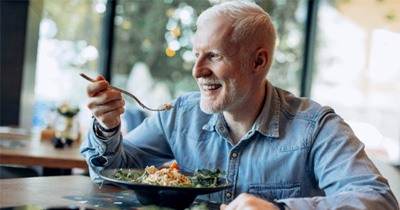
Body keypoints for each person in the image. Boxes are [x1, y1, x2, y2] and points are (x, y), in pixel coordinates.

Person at [81, 1, 399, 209]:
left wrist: (278, 209)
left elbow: (378, 201)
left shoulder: (316, 128)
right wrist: (107, 128)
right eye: (196, 55)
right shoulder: (179, 115)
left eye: (214, 56)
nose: (197, 71)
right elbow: (108, 172)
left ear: (258, 61)